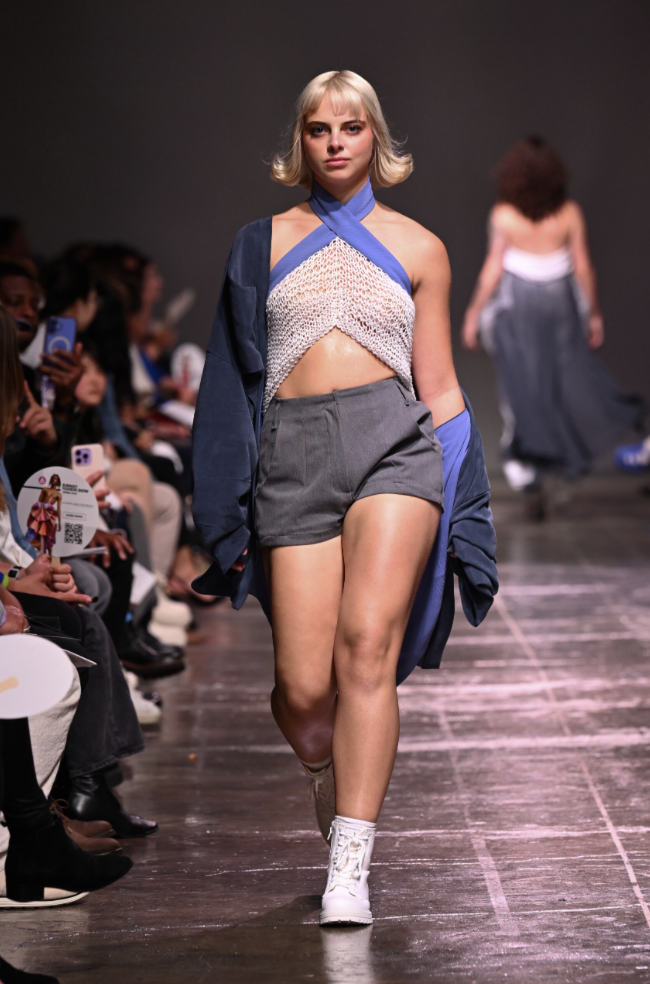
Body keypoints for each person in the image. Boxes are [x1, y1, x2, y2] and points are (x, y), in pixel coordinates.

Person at [192, 70, 496, 926]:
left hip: (393, 445)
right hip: (291, 454)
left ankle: (350, 866)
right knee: (301, 691)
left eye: (351, 127)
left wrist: (467, 504)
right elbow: (231, 378)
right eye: (319, 128)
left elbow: (439, 384)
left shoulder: (420, 247)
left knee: (367, 647)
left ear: (375, 137)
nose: (334, 142)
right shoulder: (259, 243)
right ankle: (327, 770)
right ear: (302, 140)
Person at [462, 136, 643, 498]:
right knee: (560, 383)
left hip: (518, 305)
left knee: (521, 383)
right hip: (559, 303)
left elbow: (492, 270)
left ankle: (525, 462)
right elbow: (584, 267)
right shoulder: (569, 213)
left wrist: (473, 314)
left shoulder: (504, 215)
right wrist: (594, 314)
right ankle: (543, 461)